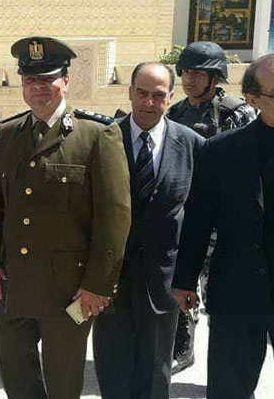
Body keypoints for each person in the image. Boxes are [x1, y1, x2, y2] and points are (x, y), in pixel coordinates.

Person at [0, 36, 131, 399]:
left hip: (69, 288)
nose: (38, 87)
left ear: (66, 80)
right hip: (16, 283)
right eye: (30, 80)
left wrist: (98, 284)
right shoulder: (8, 134)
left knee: (63, 382)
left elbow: (114, 218)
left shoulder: (97, 134)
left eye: (47, 79)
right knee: (16, 375)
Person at [172, 53, 274, 399]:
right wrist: (184, 280)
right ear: (252, 99)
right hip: (236, 293)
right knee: (229, 389)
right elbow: (198, 219)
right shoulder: (221, 151)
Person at [92, 62, 204, 399]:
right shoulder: (102, 140)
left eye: (158, 95)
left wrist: (190, 278)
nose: (149, 102)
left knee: (156, 373)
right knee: (112, 369)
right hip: (108, 281)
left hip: (164, 283)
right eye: (142, 93)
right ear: (129, 93)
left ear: (170, 97)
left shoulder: (193, 145)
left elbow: (201, 219)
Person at [165, 40, 256, 373]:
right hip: (187, 215)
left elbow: (251, 165)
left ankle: (227, 368)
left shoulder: (236, 113)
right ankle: (183, 347)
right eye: (186, 72)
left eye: (198, 73)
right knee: (181, 286)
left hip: (224, 220)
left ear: (215, 77)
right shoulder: (175, 113)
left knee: (219, 295)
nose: (189, 79)